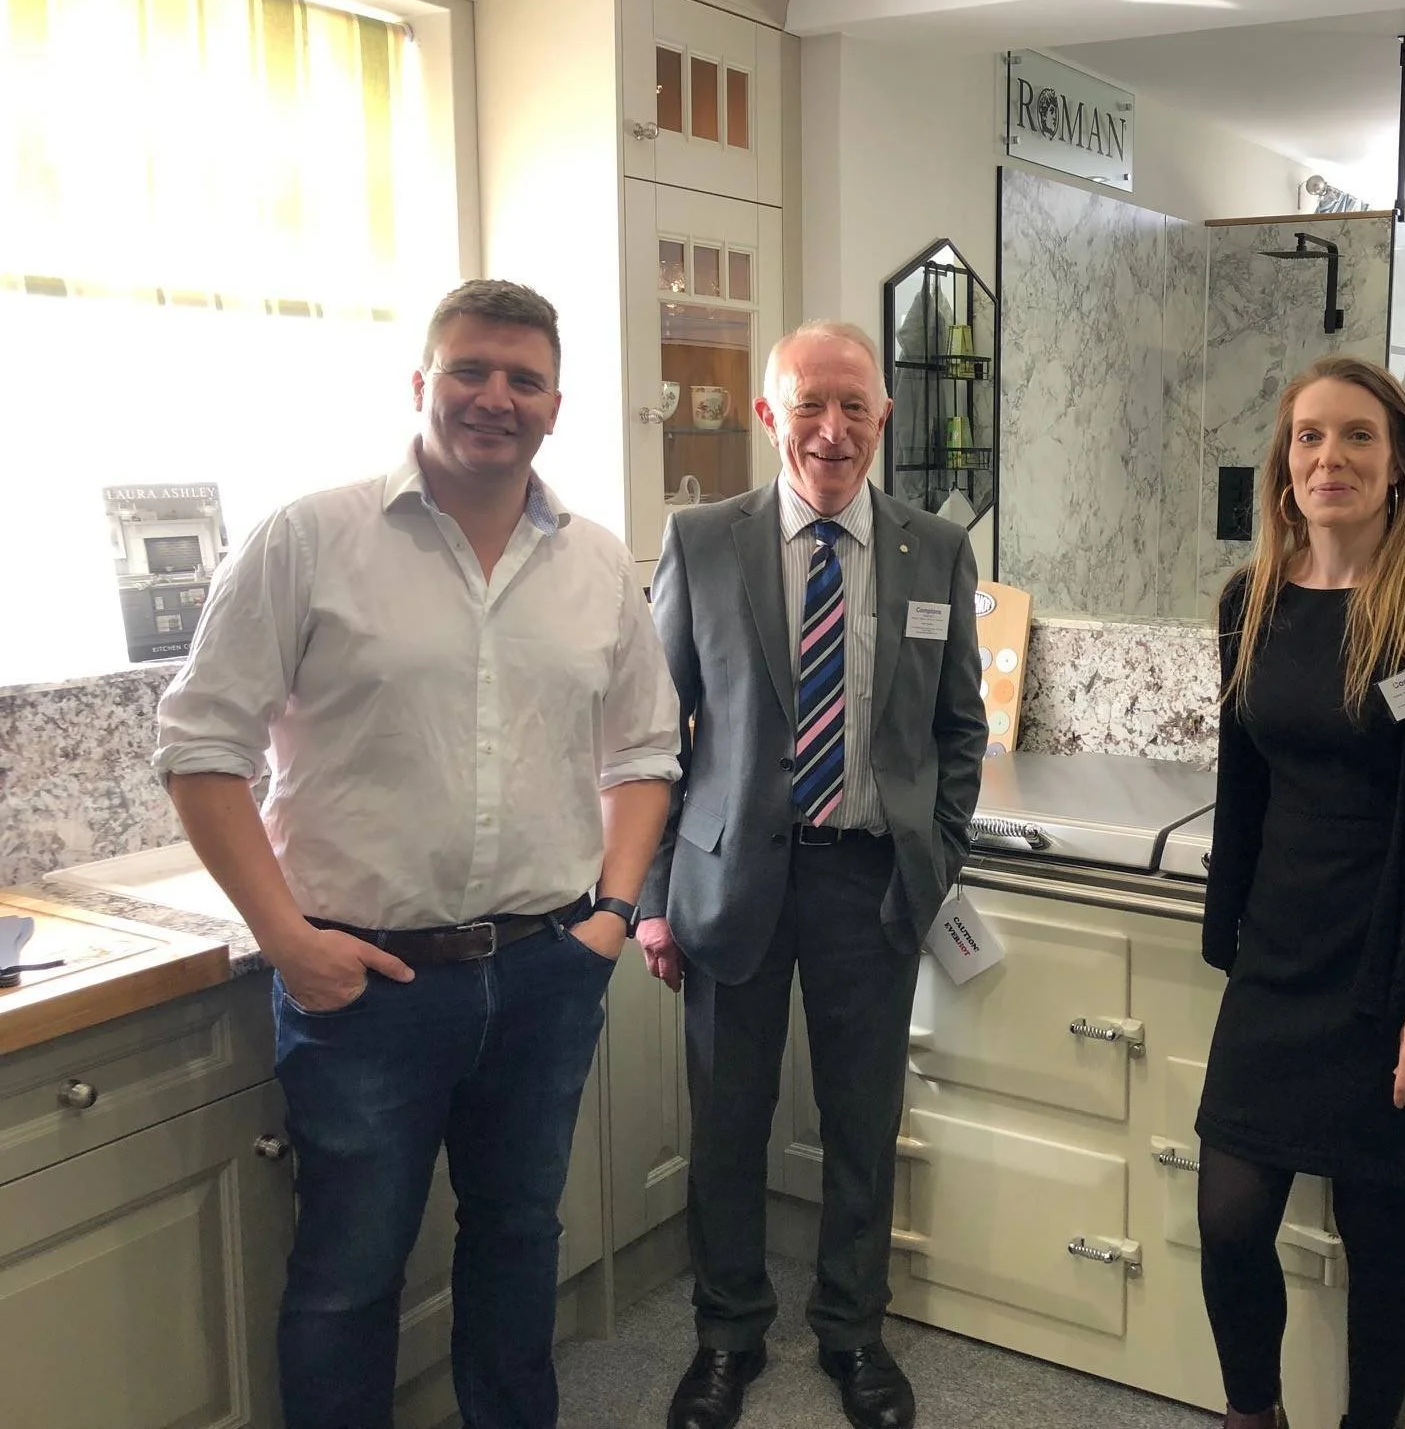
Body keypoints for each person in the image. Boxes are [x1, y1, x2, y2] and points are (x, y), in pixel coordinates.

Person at [155, 279, 680, 1429]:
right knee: (349, 1276)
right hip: (365, 986)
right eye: (469, 370)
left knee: (518, 1241)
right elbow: (199, 749)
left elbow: (645, 752)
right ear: (421, 383)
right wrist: (285, 940)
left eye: (524, 379)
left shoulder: (599, 564)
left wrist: (611, 911)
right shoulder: (309, 538)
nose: (496, 397)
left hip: (546, 971)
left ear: (555, 406)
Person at [637, 320, 988, 1429]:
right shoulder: (703, 541)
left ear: (884, 415)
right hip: (729, 881)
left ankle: (853, 1332)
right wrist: (651, 897)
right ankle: (726, 1335)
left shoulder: (937, 549)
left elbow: (960, 728)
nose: (832, 431)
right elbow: (653, 737)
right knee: (728, 1124)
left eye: (853, 407)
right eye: (808, 407)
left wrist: (936, 857)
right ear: (768, 416)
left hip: (870, 883)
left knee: (861, 1125)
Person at [1196, 354, 1405, 1429]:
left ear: (1401, 466)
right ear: (1283, 466)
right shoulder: (1250, 601)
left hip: (1393, 966)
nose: (1328, 457)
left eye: (1356, 436)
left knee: (1379, 1229)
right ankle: (1255, 1414)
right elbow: (1244, 786)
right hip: (1280, 958)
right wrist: (1230, 940)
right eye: (1309, 437)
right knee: (1230, 1220)